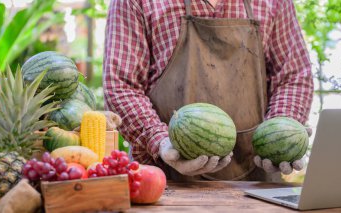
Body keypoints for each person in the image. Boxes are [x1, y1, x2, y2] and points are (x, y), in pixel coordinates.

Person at [103, 0, 313, 181]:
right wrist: (162, 141)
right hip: (162, 183)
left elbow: (293, 76)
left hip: (256, 184)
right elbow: (121, 85)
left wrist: (280, 136)